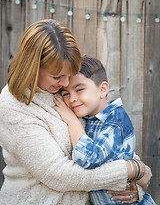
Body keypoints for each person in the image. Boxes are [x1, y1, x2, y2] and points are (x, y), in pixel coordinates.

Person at [0, 19, 151, 205]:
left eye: (68, 75)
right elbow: (59, 174)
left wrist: (138, 173)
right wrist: (128, 171)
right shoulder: (13, 105)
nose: (65, 84)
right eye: (57, 77)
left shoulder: (62, 91)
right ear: (33, 67)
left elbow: (104, 140)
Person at [53, 56, 156, 205]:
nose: (72, 98)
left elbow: (89, 158)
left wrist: (72, 121)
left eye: (80, 89)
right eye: (65, 94)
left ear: (102, 90)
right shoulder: (88, 119)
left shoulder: (116, 121)